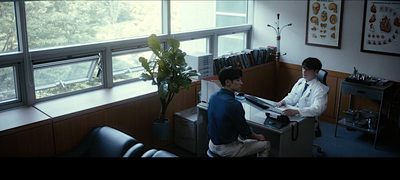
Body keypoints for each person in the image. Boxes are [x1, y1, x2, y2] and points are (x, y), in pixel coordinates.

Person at [208, 66, 271, 157]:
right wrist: (259, 137)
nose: (241, 83)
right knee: (266, 144)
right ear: (228, 82)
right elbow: (246, 133)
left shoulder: (213, 97)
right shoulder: (234, 104)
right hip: (226, 149)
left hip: (212, 144)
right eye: (238, 80)